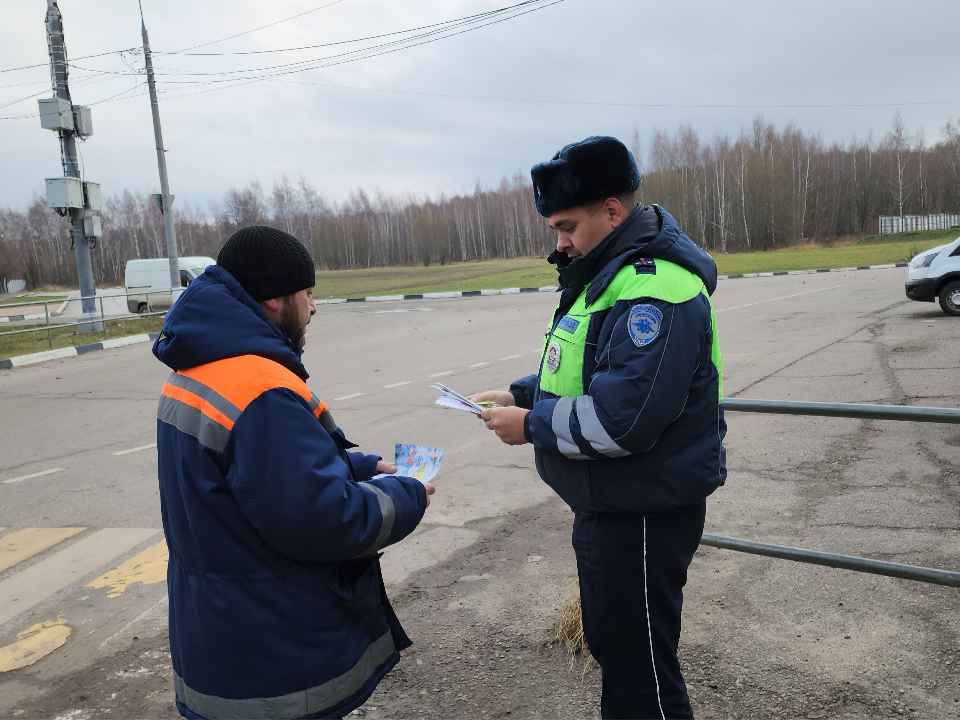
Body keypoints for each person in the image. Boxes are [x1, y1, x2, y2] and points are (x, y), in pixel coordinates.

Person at [471, 136, 725, 719]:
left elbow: (623, 420)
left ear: (613, 211)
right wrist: (520, 393)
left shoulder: (652, 287)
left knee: (642, 676)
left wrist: (530, 424)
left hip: (641, 511)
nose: (559, 242)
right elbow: (588, 374)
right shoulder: (605, 276)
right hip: (610, 505)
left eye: (567, 226)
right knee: (620, 650)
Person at [153, 225, 434, 720]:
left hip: (216, 639)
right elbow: (328, 519)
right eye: (308, 293)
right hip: (273, 658)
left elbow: (253, 478)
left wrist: (360, 466)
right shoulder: (260, 389)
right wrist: (406, 494)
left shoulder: (198, 369)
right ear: (274, 300)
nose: (314, 307)